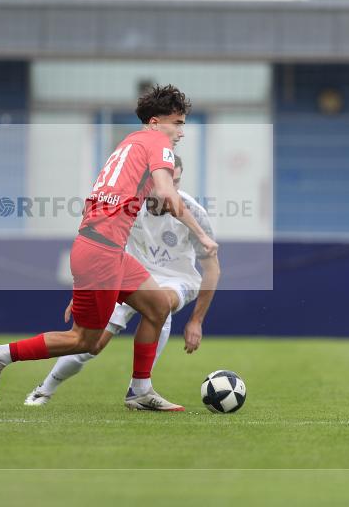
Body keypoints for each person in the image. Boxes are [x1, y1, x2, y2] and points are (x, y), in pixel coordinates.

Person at [0, 85, 218, 410]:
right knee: (85, 340)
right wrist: (200, 235)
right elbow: (166, 193)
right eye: (178, 123)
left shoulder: (129, 144)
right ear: (157, 121)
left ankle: (140, 391)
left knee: (158, 306)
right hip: (101, 252)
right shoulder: (156, 142)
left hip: (106, 250)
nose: (181, 132)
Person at [24, 155, 220, 406]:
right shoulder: (129, 207)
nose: (172, 189)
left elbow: (212, 269)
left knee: (161, 305)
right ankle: (44, 390)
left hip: (177, 279)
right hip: (129, 275)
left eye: (177, 182)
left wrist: (196, 321)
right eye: (167, 183)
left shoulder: (194, 213)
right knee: (91, 344)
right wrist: (85, 292)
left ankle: (139, 389)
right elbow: (98, 247)